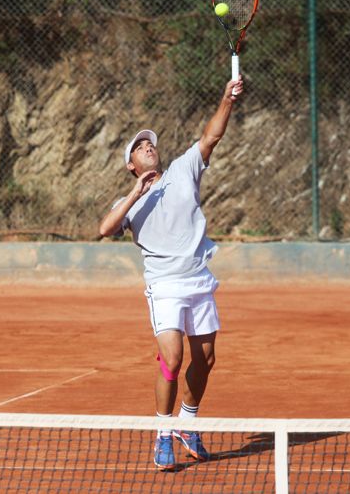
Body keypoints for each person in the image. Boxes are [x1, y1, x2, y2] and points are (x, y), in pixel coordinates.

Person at [98, 77, 244, 470]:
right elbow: (104, 229)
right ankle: (163, 434)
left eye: (151, 143)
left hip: (198, 279)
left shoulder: (183, 170)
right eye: (141, 147)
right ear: (132, 165)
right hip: (164, 287)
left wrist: (226, 98)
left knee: (207, 358)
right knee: (173, 358)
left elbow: (211, 136)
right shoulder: (128, 202)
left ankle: (187, 423)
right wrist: (136, 192)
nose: (149, 147)